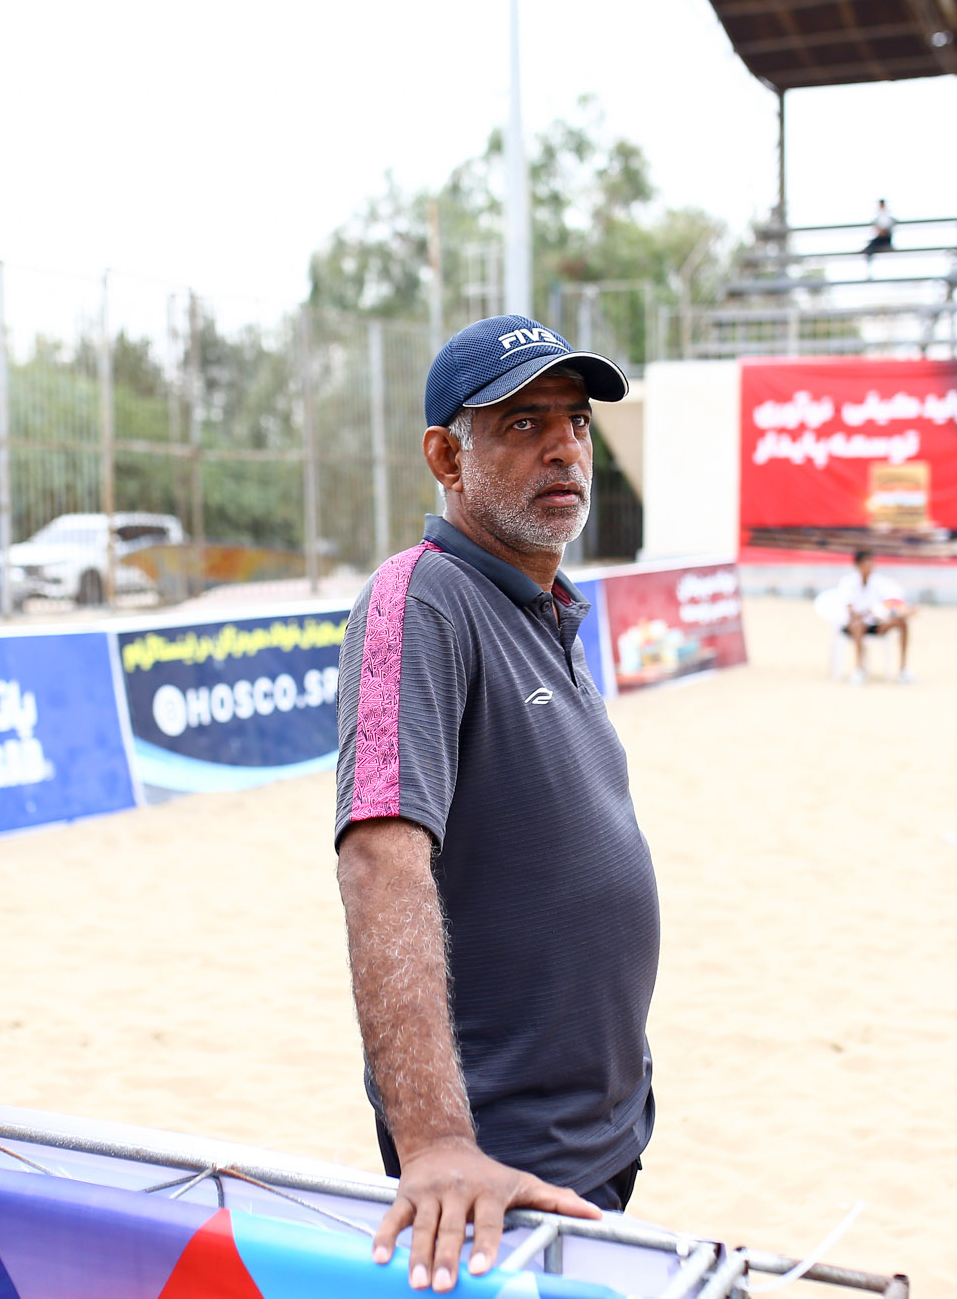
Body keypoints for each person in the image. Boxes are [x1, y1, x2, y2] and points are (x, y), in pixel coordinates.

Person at [334, 314, 658, 1293]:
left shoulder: (543, 609)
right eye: (523, 423)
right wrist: (435, 1141)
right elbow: (378, 858)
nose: (564, 446)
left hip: (596, 1139)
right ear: (446, 456)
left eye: (576, 421)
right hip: (495, 1167)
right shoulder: (421, 599)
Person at [834, 550, 915, 684]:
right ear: (858, 565)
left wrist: (896, 614)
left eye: (871, 562)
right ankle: (859, 669)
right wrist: (868, 613)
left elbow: (893, 601)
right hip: (854, 625)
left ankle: (903, 669)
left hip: (876, 623)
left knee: (902, 621)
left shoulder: (880, 582)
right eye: (866, 562)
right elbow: (850, 610)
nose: (870, 565)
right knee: (858, 624)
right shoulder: (848, 582)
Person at [862, 198, 896, 266]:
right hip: (881, 236)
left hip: (885, 237)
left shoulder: (886, 214)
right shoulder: (879, 214)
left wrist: (883, 230)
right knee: (871, 244)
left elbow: (888, 226)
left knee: (871, 246)